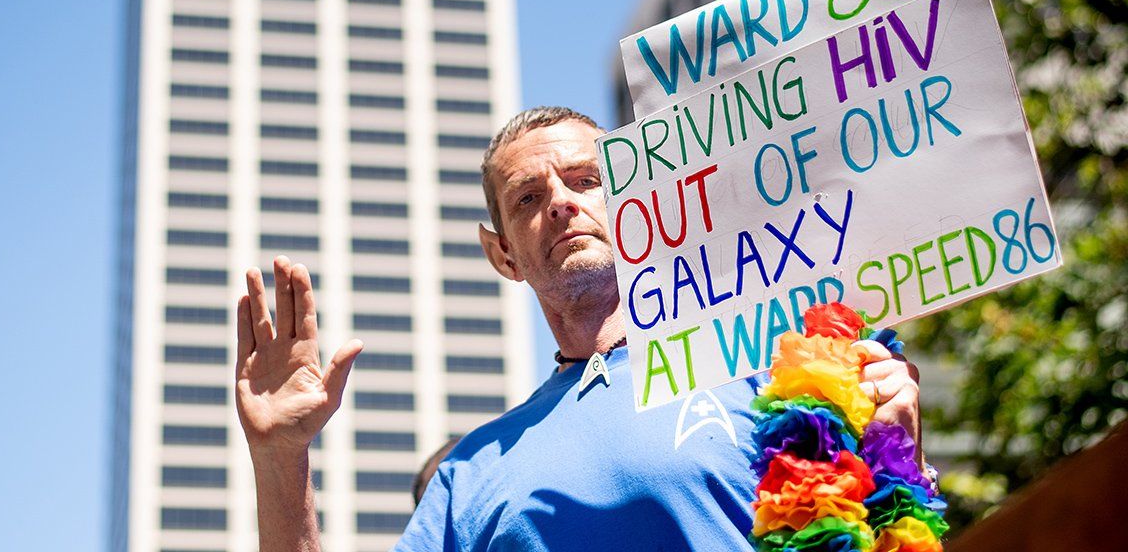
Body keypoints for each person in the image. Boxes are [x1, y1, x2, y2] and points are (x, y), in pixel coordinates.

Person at [235, 107, 925, 551]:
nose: (562, 203)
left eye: (586, 180)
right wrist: (279, 459)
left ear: (643, 205)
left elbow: (893, 533)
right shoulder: (468, 475)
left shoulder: (781, 370)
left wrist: (893, 443)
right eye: (529, 198)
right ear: (501, 252)